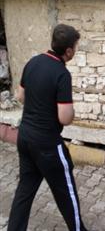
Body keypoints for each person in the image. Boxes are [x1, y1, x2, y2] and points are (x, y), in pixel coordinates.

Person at [8, 24, 87, 231]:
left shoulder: (33, 62)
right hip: (47, 144)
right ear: (68, 51)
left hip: (25, 138)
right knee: (66, 192)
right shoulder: (62, 74)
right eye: (75, 47)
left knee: (25, 189)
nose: (75, 51)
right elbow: (64, 118)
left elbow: (20, 96)